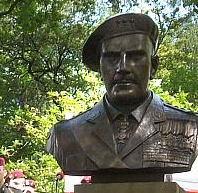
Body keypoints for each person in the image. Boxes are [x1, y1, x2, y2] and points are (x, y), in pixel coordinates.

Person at [47, 13, 198, 179]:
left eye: (135, 56)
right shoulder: (66, 133)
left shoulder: (189, 127)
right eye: (112, 57)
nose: (123, 67)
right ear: (100, 67)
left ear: (153, 67)